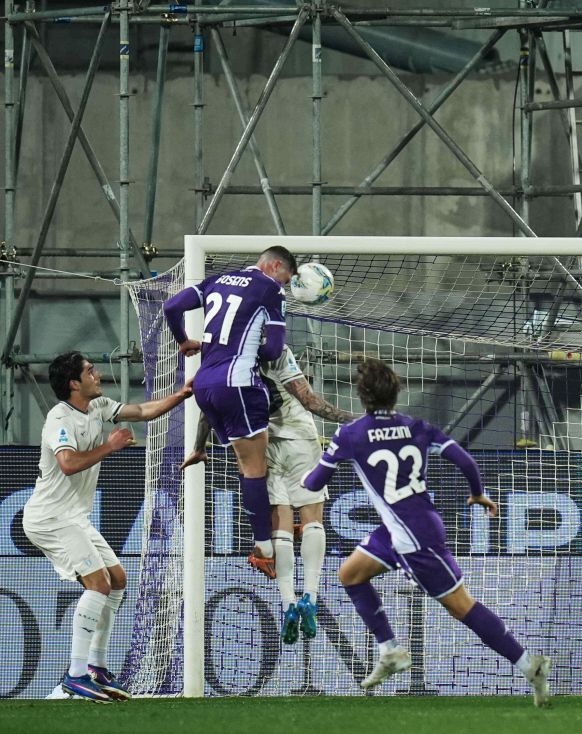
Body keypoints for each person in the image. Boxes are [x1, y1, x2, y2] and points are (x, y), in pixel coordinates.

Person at [301, 358, 551, 706]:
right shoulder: (418, 427)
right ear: (395, 394)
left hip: (413, 538)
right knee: (351, 574)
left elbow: (313, 483)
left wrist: (298, 468)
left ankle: (528, 665)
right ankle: (389, 651)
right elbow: (467, 461)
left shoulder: (350, 434)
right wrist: (477, 493)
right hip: (405, 525)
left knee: (461, 606)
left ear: (362, 396)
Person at [23, 352, 192, 702]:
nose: (97, 374)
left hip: (73, 516)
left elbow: (143, 411)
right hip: (50, 517)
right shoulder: (59, 418)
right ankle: (75, 676)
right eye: (89, 371)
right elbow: (67, 464)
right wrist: (109, 446)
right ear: (74, 383)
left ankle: (96, 666)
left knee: (117, 579)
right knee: (98, 584)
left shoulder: (98, 405)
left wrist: (183, 394)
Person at [183, 344, 356, 644]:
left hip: (260, 442)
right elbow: (310, 400)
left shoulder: (220, 355)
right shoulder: (275, 348)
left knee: (281, 523)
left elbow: (208, 405)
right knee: (313, 517)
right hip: (298, 437)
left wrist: (199, 446)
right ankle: (310, 598)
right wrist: (355, 419)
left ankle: (287, 602)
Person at [164, 246, 296, 578]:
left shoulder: (217, 279)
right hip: (238, 383)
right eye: (287, 278)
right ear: (275, 265)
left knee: (248, 461)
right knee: (254, 467)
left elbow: (171, 306)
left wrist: (183, 340)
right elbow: (273, 350)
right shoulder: (270, 289)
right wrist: (259, 340)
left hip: (205, 385)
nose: (286, 285)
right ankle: (264, 547)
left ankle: (269, 528)